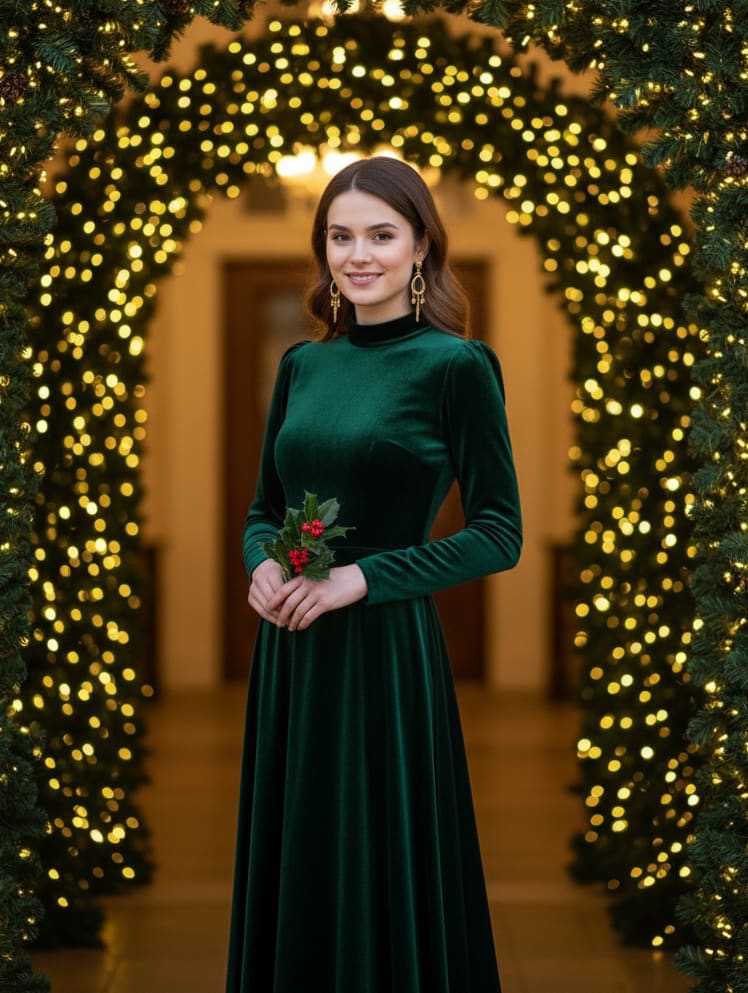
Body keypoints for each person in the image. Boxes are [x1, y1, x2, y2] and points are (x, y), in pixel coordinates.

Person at [226, 155, 522, 993]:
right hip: (292, 655)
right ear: (323, 250)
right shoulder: (302, 366)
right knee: (301, 858)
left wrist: (362, 579)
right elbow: (261, 510)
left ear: (422, 246)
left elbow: (501, 533)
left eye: (382, 235)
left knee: (374, 858)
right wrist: (260, 565)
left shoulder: (457, 367)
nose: (359, 255)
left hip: (385, 658)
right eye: (340, 236)